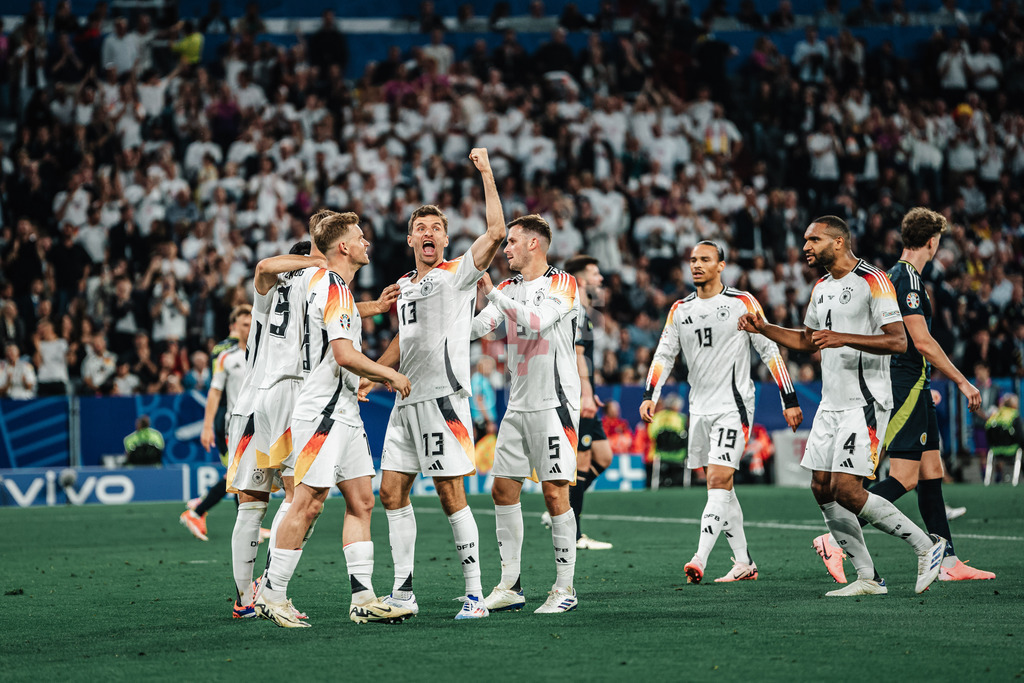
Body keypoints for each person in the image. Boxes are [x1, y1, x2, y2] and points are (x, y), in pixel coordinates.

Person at [739, 216, 947, 596]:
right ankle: (867, 577)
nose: (806, 246)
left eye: (813, 239)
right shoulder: (820, 287)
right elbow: (807, 340)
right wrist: (764, 328)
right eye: (805, 239)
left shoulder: (874, 280)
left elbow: (899, 341)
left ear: (837, 242)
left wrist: (842, 338)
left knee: (848, 489)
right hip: (832, 403)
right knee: (821, 487)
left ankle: (927, 546)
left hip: (866, 401)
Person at [812, 207, 995, 582]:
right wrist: (962, 380)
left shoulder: (900, 276)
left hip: (918, 384)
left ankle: (948, 561)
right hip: (905, 382)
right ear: (933, 242)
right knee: (906, 475)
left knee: (932, 471)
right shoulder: (906, 279)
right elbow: (920, 340)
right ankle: (836, 538)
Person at [255, 211, 413, 628]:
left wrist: (376, 306)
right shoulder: (331, 283)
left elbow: (341, 318)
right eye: (359, 237)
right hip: (322, 409)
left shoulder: (325, 283)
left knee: (362, 501)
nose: (366, 244)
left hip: (343, 408)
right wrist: (388, 373)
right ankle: (272, 593)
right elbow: (344, 354)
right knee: (308, 503)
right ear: (343, 247)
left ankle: (363, 596)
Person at [368, 149, 506, 620]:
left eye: (436, 229)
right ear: (410, 239)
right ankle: (403, 593)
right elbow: (403, 343)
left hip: (444, 401)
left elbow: (496, 234)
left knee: (450, 495)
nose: (429, 234)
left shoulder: (459, 274)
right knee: (390, 493)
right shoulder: (404, 283)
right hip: (405, 403)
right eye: (421, 229)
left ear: (446, 239)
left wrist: (486, 173)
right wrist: (372, 373)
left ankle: (475, 595)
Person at [640, 240, 803, 583]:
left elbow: (769, 350)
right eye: (693, 260)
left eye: (705, 259)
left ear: (721, 265)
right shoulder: (680, 309)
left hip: (734, 406)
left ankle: (699, 557)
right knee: (722, 486)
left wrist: (789, 399)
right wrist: (649, 394)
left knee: (717, 479)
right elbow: (663, 355)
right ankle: (744, 562)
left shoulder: (741, 302)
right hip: (699, 410)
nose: (696, 265)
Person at [471, 214, 582, 614]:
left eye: (512, 241)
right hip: (517, 403)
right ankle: (510, 585)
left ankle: (565, 589)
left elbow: (537, 322)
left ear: (534, 243)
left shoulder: (563, 283)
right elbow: (481, 325)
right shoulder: (507, 286)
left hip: (555, 404)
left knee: (554, 493)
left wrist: (494, 295)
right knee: (503, 489)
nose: (506, 249)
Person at [224, 240, 326, 620]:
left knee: (250, 506)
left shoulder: (270, 293)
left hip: (250, 404)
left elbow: (265, 267)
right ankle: (270, 588)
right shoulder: (313, 285)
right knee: (303, 498)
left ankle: (243, 599)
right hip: (290, 396)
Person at [540, 254, 613, 550]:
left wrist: (590, 389)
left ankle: (560, 509)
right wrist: (584, 393)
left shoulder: (585, 310)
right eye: (595, 274)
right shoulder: (578, 311)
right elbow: (578, 355)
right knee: (581, 461)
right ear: (581, 280)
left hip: (584, 392)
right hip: (574, 396)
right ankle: (574, 533)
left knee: (603, 456)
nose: (601, 279)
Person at [179, 305, 252, 542]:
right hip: (235, 424)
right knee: (237, 476)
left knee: (246, 475)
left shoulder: (263, 353)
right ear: (234, 327)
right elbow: (214, 392)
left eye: (252, 322)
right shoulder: (226, 357)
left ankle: (205, 509)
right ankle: (198, 510)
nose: (249, 327)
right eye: (244, 324)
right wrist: (208, 426)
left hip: (260, 423)